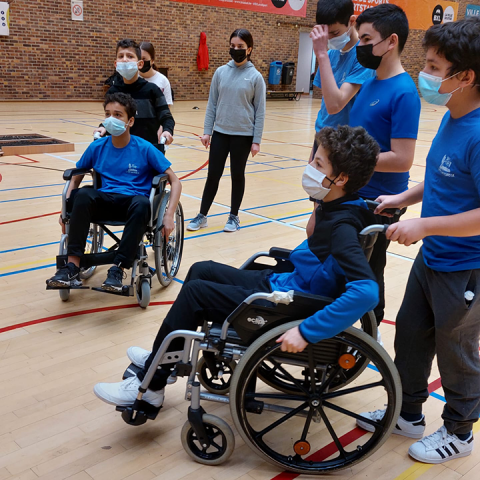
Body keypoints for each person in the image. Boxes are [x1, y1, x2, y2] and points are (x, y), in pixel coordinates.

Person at [93, 124, 380, 408]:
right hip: (284, 285)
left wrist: (306, 331)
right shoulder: (345, 204)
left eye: (318, 163)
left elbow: (366, 292)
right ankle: (166, 355)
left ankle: (152, 388)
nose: (310, 167)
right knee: (201, 269)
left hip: (291, 304)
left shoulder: (343, 227)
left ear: (341, 178)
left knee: (196, 294)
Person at [357, 19, 480, 464]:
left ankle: (460, 432)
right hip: (433, 259)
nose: (424, 73)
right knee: (410, 336)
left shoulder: (479, 132)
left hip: (465, 266)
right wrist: (405, 196)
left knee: (457, 352)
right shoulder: (454, 116)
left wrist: (425, 227)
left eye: (432, 66)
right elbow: (444, 180)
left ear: (464, 76)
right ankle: (408, 412)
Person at [47, 92, 181, 292]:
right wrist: (64, 211)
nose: (112, 119)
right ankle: (72, 266)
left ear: (130, 121)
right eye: (108, 114)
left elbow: (175, 181)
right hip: (104, 203)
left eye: (118, 115)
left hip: (133, 206)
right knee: (82, 194)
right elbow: (76, 177)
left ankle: (117, 269)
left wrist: (169, 215)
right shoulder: (97, 147)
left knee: (143, 203)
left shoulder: (144, 148)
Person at [347, 4, 421, 326]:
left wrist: (350, 160)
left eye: (366, 39)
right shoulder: (370, 81)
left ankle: (370, 328)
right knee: (347, 267)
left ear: (391, 42)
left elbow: (403, 159)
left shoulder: (404, 93)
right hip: (354, 190)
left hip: (379, 201)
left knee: (369, 270)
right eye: (359, 38)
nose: (361, 46)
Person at [187, 29, 266, 233]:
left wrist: (256, 140)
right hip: (221, 133)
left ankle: (233, 216)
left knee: (237, 175)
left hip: (243, 135)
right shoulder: (220, 72)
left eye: (240, 47)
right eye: (233, 46)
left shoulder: (255, 77)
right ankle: (202, 215)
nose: (236, 50)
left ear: (249, 49)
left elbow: (260, 111)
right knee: (213, 174)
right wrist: (207, 131)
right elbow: (212, 104)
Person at [309, 0, 374, 161]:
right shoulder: (331, 54)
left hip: (344, 143)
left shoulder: (362, 57)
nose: (329, 39)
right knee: (312, 185)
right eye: (326, 34)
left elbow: (335, 105)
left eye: (335, 33)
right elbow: (325, 106)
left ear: (352, 21)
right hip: (323, 136)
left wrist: (321, 55)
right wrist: (315, 147)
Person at [94, 39, 175, 153]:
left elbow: (166, 117)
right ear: (116, 64)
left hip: (148, 150)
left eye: (130, 56)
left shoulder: (152, 90)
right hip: (121, 150)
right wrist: (103, 127)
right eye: (121, 56)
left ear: (140, 64)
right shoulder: (112, 92)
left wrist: (167, 130)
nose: (125, 59)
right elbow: (112, 119)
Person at [139, 41, 173, 106]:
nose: (141, 62)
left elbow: (166, 110)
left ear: (152, 60)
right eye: (138, 58)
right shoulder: (131, 79)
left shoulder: (163, 80)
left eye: (144, 59)